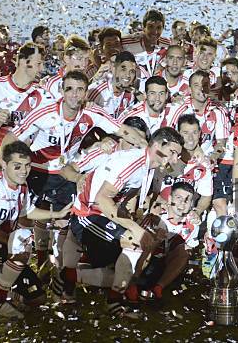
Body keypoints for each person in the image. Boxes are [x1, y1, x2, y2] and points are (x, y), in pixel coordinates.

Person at [0, 71, 146, 270]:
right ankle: (25, 266)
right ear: (62, 90)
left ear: (86, 92)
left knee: (66, 219)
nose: (75, 95)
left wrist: (147, 148)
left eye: (80, 90)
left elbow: (123, 130)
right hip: (37, 172)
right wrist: (2, 165)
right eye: (70, 89)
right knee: (26, 220)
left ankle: (59, 270)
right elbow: (12, 137)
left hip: (66, 173)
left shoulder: (92, 112)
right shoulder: (45, 112)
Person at [64, 127, 184, 317]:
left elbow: (127, 201)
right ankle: (113, 300)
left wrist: (140, 223)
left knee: (140, 247)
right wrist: (134, 228)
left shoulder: (148, 164)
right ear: (159, 146)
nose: (175, 160)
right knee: (134, 242)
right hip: (87, 214)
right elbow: (103, 199)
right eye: (173, 153)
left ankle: (70, 278)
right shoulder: (134, 162)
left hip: (102, 214)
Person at [0, 141, 68, 319]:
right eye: (17, 166)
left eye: (27, 166)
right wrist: (7, 239)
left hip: (7, 250)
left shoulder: (23, 186)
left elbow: (28, 211)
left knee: (38, 298)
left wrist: (57, 213)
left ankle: (1, 293)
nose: (23, 171)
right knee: (22, 237)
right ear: (4, 164)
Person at [0, 42, 52, 173]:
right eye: (38, 64)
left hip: (25, 168)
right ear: (24, 61)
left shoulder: (42, 93)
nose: (42, 69)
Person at [169, 70, 231, 158]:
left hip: (206, 161)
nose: (201, 89)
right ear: (190, 89)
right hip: (180, 160)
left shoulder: (219, 110)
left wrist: (211, 159)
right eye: (196, 85)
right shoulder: (178, 108)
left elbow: (221, 144)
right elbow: (168, 137)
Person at [88, 51, 139, 119]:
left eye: (132, 71)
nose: (128, 75)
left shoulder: (130, 95)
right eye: (123, 69)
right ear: (114, 69)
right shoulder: (96, 90)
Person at [122, 9, 171, 78]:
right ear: (143, 27)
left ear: (163, 28)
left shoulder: (166, 44)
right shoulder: (127, 42)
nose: (155, 31)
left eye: (159, 27)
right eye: (151, 27)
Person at [44, 35, 92, 100]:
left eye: (86, 59)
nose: (84, 64)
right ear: (66, 58)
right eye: (79, 58)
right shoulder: (51, 85)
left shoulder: (90, 82)